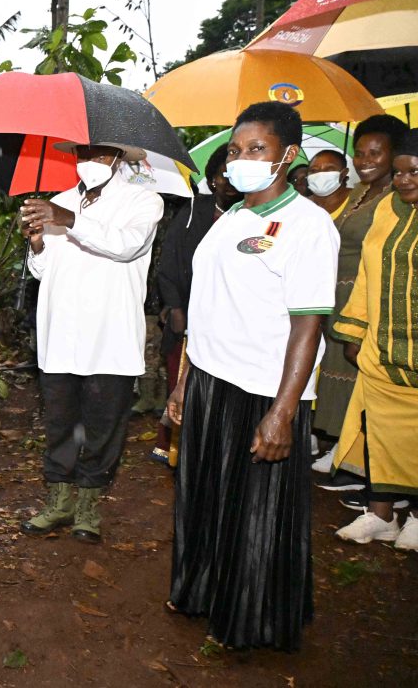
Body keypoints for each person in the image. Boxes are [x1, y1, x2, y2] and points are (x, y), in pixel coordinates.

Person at [166, 101, 339, 651]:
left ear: (289, 155)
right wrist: (183, 381)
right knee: (204, 496)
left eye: (256, 149)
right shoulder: (230, 220)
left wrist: (284, 412)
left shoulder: (309, 227)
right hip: (211, 379)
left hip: (264, 389)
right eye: (236, 150)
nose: (242, 160)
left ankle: (251, 620)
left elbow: (308, 326)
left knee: (256, 515)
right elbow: (206, 307)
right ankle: (200, 591)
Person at [17, 142, 163, 543]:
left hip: (110, 336)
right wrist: (37, 242)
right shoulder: (59, 201)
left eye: (98, 156)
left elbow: (126, 246)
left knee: (102, 426)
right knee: (60, 422)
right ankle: (59, 502)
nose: (89, 163)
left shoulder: (143, 201)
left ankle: (88, 508)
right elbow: (46, 270)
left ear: (118, 159)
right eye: (82, 155)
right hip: (61, 333)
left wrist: (68, 219)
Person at [330, 128, 418, 551]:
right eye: (399, 172)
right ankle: (381, 515)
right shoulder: (386, 208)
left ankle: (417, 516)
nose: (404, 180)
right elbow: (366, 272)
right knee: (380, 433)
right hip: (382, 350)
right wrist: (355, 330)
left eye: (413, 171)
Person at [311, 115, 408, 460]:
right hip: (342, 298)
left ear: (395, 154)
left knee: (363, 382)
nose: (365, 161)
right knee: (342, 378)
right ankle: (346, 452)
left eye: (375, 153)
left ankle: (363, 464)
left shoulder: (399, 198)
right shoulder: (363, 192)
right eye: (360, 153)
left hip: (369, 302)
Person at [151, 144, 242, 462]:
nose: (229, 183)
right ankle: (172, 447)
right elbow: (169, 264)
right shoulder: (192, 212)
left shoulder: (247, 215)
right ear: (213, 179)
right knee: (181, 378)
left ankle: (210, 450)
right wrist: (175, 307)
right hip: (187, 314)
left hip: (230, 319)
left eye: (235, 176)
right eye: (223, 176)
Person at [306, 149, 351, 218]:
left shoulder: (358, 200)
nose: (320, 174)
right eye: (314, 170)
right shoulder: (301, 204)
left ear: (343, 173)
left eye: (329, 169)